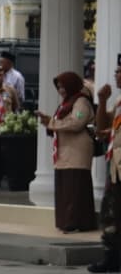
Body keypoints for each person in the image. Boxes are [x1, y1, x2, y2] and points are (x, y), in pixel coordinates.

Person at [38, 71, 97, 233]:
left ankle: (76, 222)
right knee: (65, 187)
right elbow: (63, 122)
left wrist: (51, 123)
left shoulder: (81, 102)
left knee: (75, 187)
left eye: (63, 86)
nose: (61, 90)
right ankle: (66, 222)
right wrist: (49, 121)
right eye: (58, 87)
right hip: (65, 150)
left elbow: (77, 122)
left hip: (77, 149)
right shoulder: (66, 103)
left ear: (72, 85)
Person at [91, 56, 121, 274]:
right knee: (111, 214)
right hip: (116, 167)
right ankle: (112, 258)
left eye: (119, 71)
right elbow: (103, 124)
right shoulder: (119, 101)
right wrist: (101, 101)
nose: (116, 74)